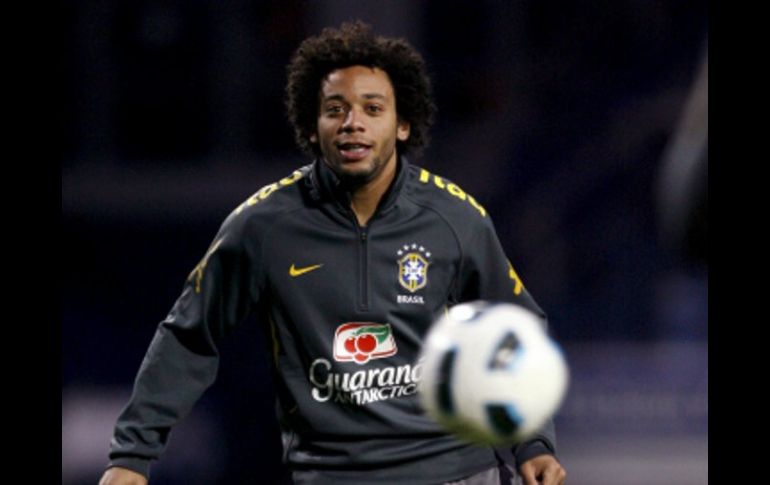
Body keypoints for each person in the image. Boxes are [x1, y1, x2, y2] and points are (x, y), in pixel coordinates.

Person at [99, 21, 567, 485]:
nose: (352, 123)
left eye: (373, 108)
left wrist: (533, 442)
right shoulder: (263, 226)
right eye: (335, 109)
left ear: (403, 124)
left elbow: (517, 327)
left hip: (458, 471)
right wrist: (132, 455)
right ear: (312, 126)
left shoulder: (455, 217)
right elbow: (188, 336)